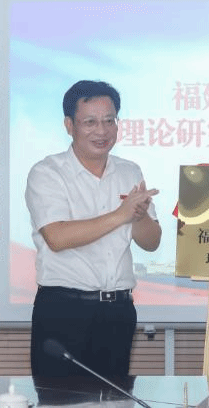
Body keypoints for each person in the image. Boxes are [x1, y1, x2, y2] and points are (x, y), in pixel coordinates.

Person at [26, 80, 162, 378]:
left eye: (109, 121)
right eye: (90, 122)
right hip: (64, 310)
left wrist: (139, 216)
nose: (102, 131)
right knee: (60, 397)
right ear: (69, 125)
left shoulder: (129, 171)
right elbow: (57, 237)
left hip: (119, 311)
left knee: (115, 396)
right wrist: (121, 214)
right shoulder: (47, 173)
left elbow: (151, 242)